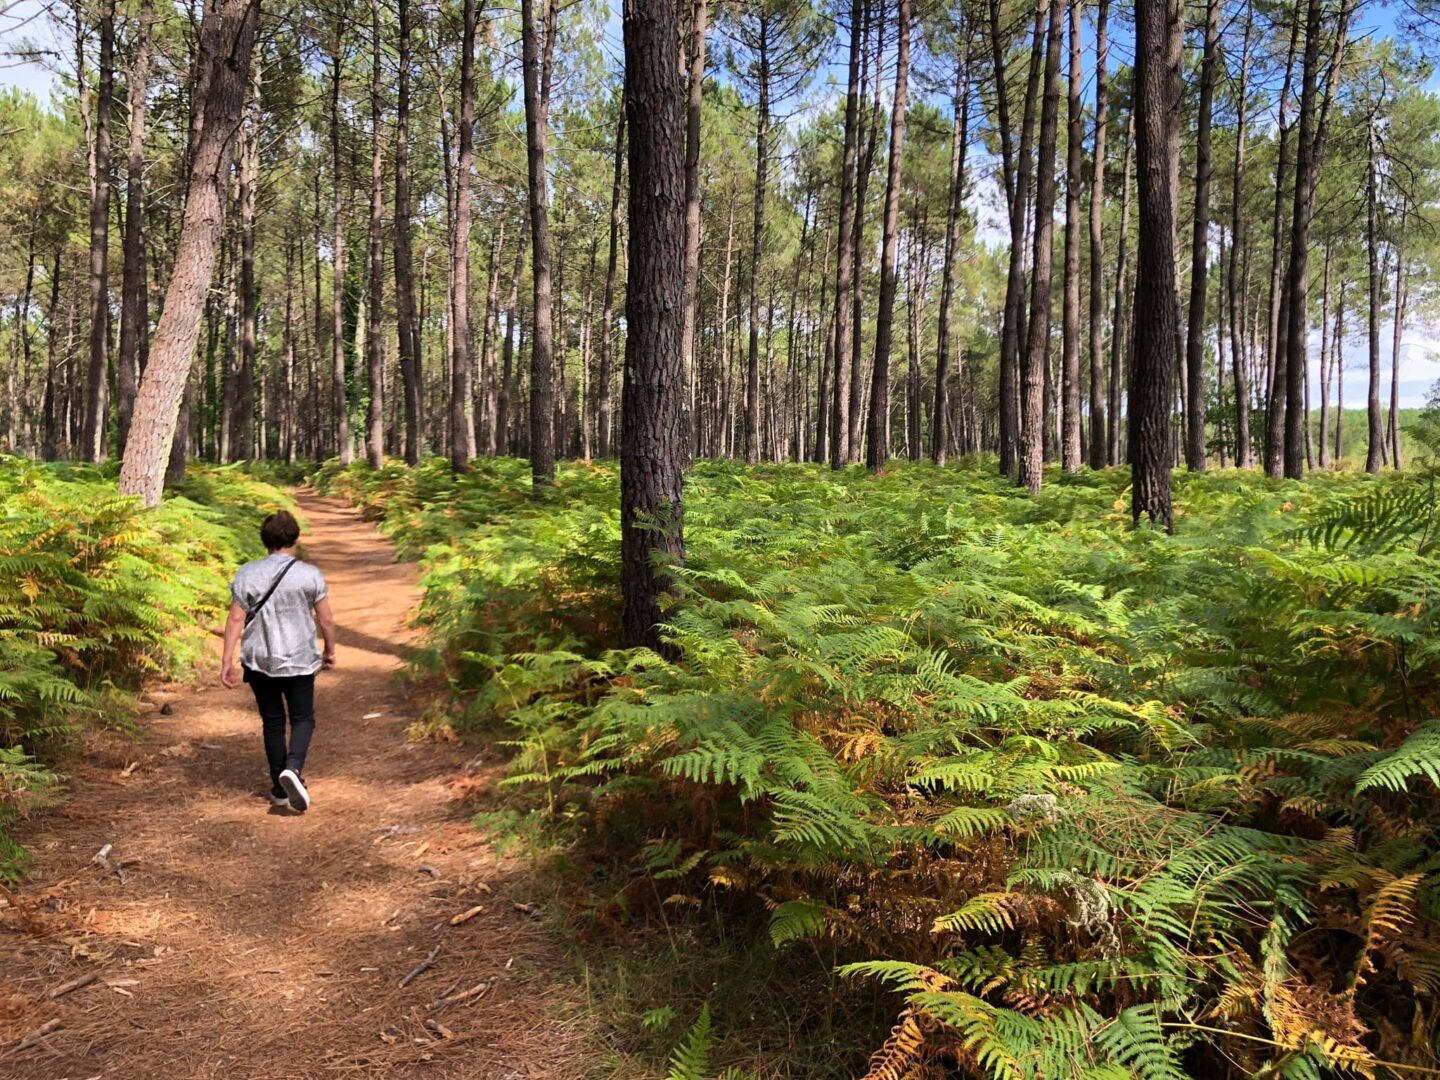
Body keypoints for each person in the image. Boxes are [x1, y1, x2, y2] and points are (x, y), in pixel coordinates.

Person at [221, 511, 336, 813]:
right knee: (303, 719)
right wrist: (330, 650)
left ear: (265, 540)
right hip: (299, 659)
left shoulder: (247, 573)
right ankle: (293, 769)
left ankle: (279, 789)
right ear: (294, 539)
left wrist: (226, 660)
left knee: (273, 722)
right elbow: (326, 618)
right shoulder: (310, 574)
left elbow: (235, 618)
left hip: (260, 660)